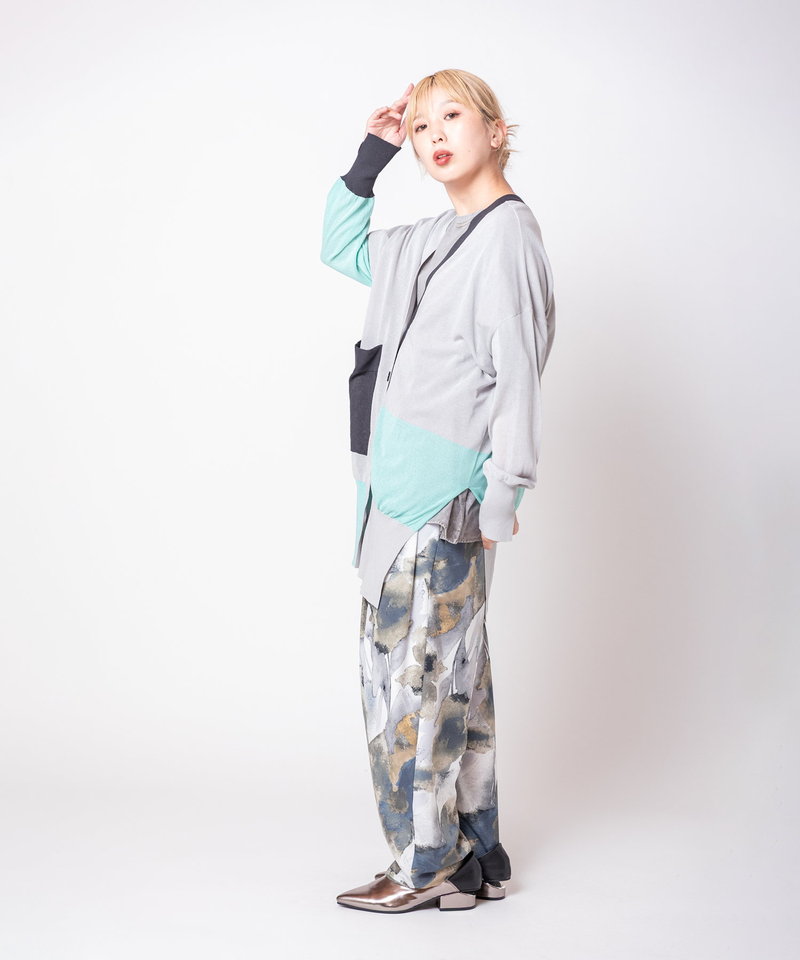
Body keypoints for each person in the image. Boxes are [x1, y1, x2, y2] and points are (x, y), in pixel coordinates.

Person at [320, 69, 556, 914]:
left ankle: (424, 863)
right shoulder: (434, 238)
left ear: (495, 129)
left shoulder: (506, 237)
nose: (435, 135)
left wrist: (503, 496)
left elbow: (517, 374)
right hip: (397, 496)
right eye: (421, 127)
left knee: (410, 690)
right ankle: (473, 858)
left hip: (440, 503)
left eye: (451, 116)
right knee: (453, 683)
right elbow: (340, 248)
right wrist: (371, 154)